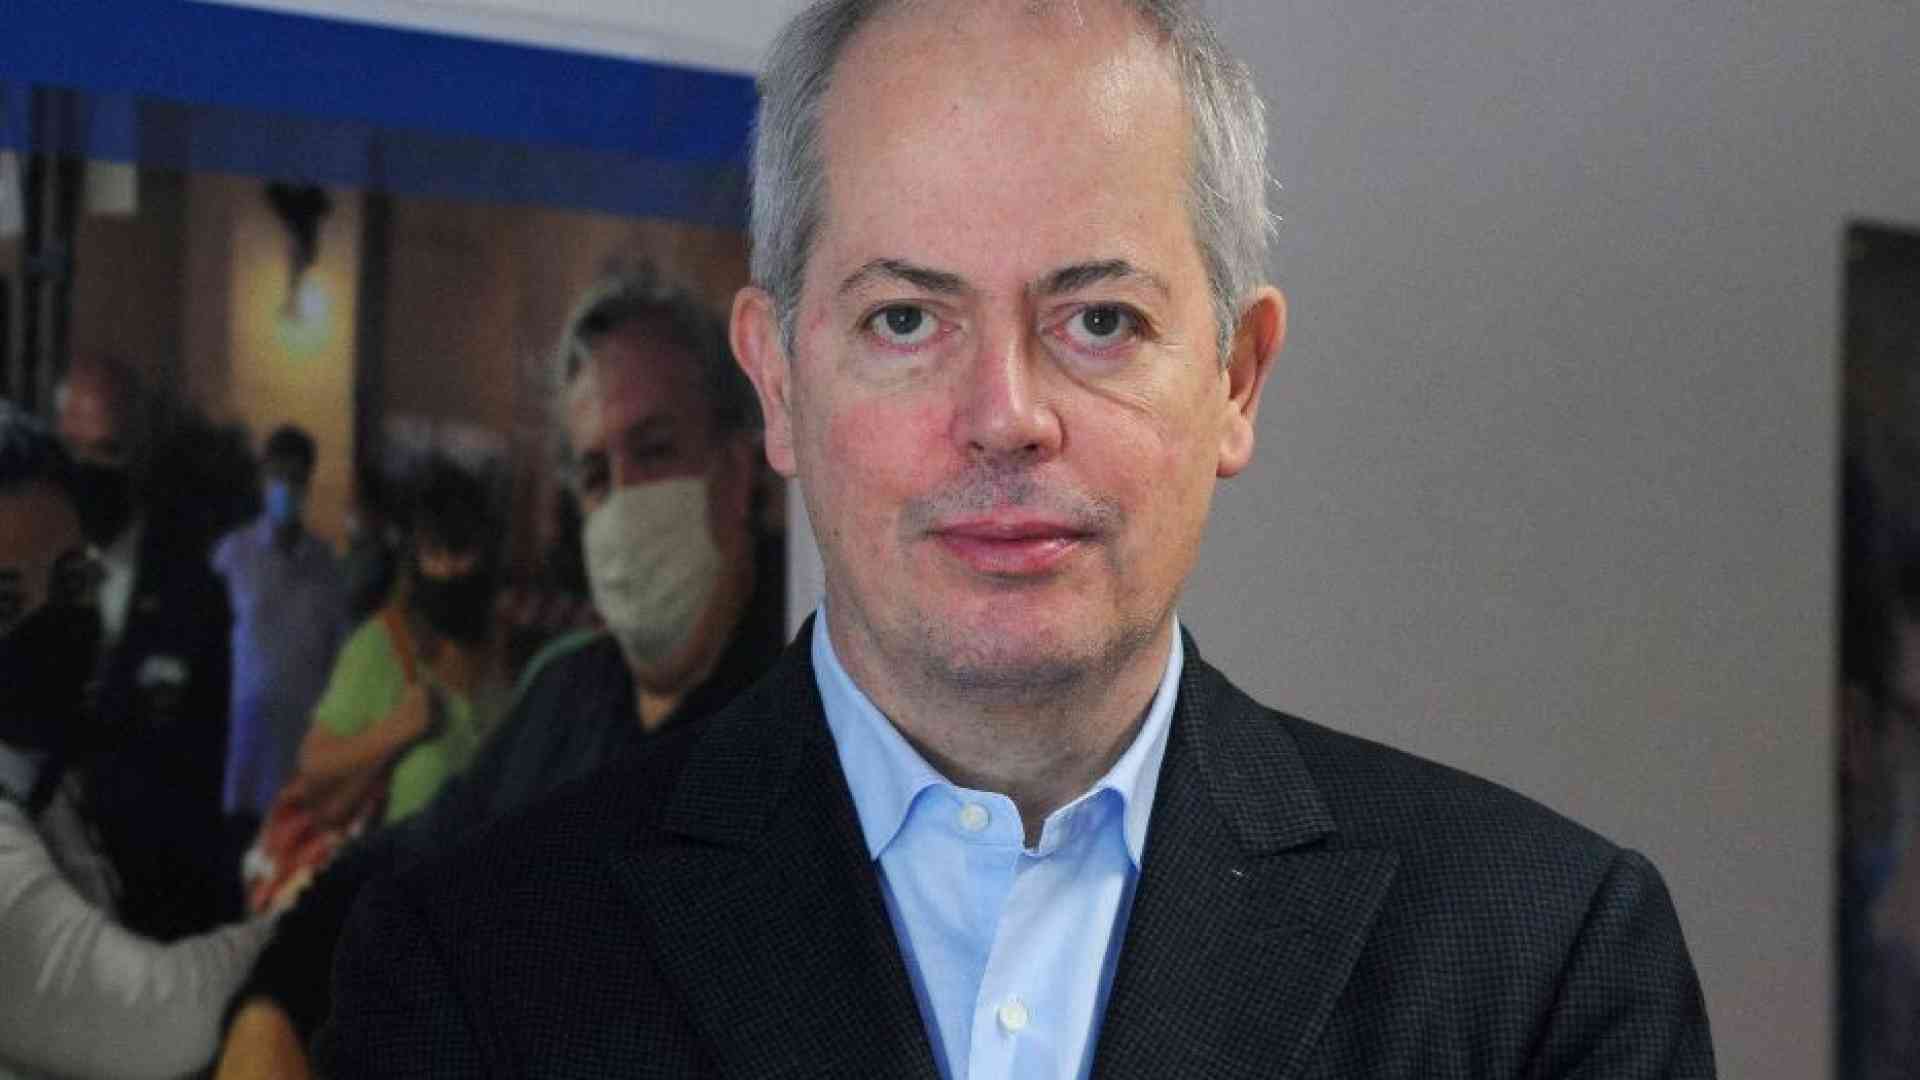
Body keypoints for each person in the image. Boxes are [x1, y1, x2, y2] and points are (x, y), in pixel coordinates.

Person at [322, 2, 1715, 1076]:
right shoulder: (473, 967)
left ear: (1236, 379)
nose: (1004, 417)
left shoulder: (1543, 967)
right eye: (905, 319)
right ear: (780, 384)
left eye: (1099, 319)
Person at [215, 269, 784, 1076]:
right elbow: (406, 870)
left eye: (655, 451)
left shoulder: (800, 722)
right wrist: (271, 1004)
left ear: (741, 468)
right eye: (595, 474)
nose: (624, 502)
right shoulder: (566, 695)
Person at [0, 401, 275, 1079]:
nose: (50, 618)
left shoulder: (43, 781)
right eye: (6, 599)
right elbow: (153, 1017)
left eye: (68, 582)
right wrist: (333, 906)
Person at [55, 356, 235, 939]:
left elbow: (201, 779)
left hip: (144, 917)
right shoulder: (22, 578)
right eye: (71, 450)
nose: (86, 470)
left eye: (106, 451)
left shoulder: (193, 593)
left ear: (142, 455)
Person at [289, 456, 502, 830]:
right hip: (401, 863)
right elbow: (313, 764)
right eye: (434, 553)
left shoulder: (505, 645)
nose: (449, 568)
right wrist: (396, 730)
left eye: (462, 551)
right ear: (414, 559)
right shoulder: (381, 646)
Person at [211, 425, 349, 857]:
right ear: (262, 478)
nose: (285, 488)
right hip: (241, 756)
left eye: (295, 478)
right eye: (277, 475)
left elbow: (338, 657)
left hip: (300, 760)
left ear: (308, 484)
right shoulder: (232, 556)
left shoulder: (326, 567)